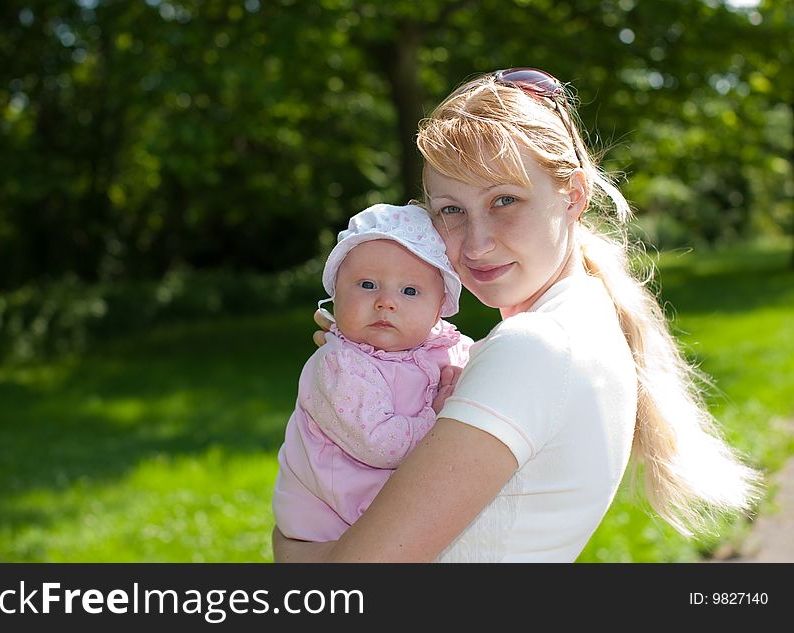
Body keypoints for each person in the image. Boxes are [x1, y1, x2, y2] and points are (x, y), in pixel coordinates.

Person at [273, 68, 763, 562]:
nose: (477, 242)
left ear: (574, 195)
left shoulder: (534, 347)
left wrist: (291, 548)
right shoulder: (582, 319)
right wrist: (376, 367)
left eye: (504, 200)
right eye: (450, 210)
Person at [273, 203, 473, 542]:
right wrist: (438, 417)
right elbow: (380, 445)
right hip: (336, 520)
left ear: (439, 307)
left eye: (409, 291)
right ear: (334, 294)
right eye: (366, 284)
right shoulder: (341, 365)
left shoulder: (445, 346)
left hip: (390, 510)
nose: (385, 302)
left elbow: (480, 367)